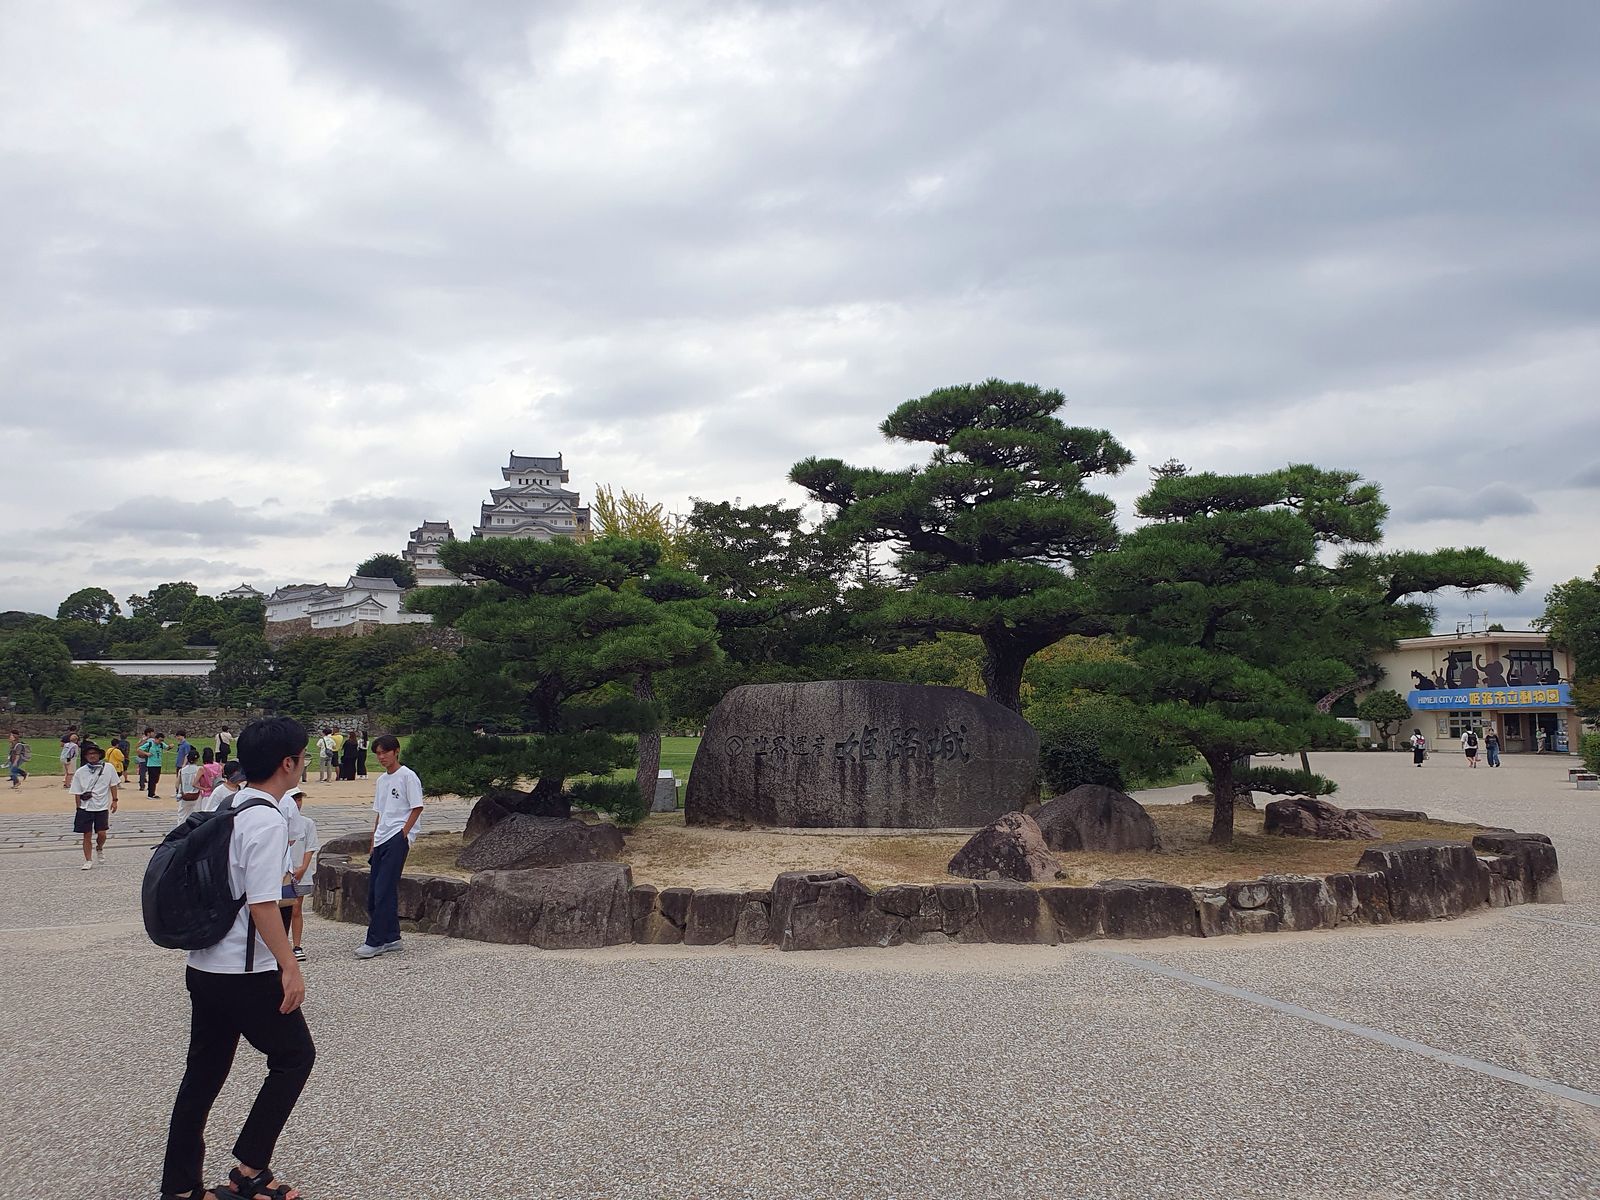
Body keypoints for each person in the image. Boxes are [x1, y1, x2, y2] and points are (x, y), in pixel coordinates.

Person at [159, 715, 314, 1200]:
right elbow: (263, 904)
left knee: (202, 1074)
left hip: (203, 964)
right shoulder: (267, 819)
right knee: (294, 1057)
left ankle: (182, 1187)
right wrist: (290, 965)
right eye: (302, 756)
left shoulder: (226, 805)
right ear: (288, 763)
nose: (304, 763)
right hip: (244, 971)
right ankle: (248, 1170)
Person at [356, 734, 423, 959]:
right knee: (376, 890)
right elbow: (380, 812)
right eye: (378, 753)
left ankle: (374, 940)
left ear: (396, 751)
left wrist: (404, 834)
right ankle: (392, 937)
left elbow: (417, 807)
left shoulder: (408, 776)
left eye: (385, 752)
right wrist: (374, 840)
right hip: (383, 837)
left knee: (383, 889)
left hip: (397, 836)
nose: (382, 757)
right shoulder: (382, 780)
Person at [69, 741, 119, 870]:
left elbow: (113, 784)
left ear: (99, 755)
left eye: (94, 753)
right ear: (85, 756)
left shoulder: (108, 768)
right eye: (89, 754)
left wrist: (115, 800)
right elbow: (77, 791)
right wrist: (78, 807)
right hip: (86, 806)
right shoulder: (80, 772)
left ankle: (99, 847)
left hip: (101, 806)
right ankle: (88, 859)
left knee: (102, 834)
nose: (92, 756)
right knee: (87, 834)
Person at [284, 790, 318, 963]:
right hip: (283, 872)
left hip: (300, 871)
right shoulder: (279, 822)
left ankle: (297, 945)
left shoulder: (307, 823)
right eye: (294, 799)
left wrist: (303, 867)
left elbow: (310, 847)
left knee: (296, 907)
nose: (297, 803)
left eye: (299, 799)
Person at [177, 748, 204, 818]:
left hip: (185, 795)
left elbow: (177, 785)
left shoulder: (182, 770)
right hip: (196, 795)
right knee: (196, 815)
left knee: (182, 817)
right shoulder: (199, 769)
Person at [141, 731, 168, 799]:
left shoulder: (161, 744)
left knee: (156, 779)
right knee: (152, 779)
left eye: (162, 740)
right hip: (151, 764)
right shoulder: (150, 743)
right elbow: (139, 749)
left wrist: (170, 746)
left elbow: (166, 748)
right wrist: (146, 753)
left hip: (158, 764)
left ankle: (152, 792)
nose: (160, 741)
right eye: (160, 740)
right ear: (156, 739)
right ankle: (151, 794)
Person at [173, 730, 192, 798]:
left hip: (183, 765)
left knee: (183, 779)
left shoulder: (186, 744)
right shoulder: (180, 744)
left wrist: (184, 764)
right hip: (178, 764)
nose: (177, 737)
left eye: (178, 736)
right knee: (178, 778)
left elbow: (187, 754)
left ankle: (182, 792)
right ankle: (177, 791)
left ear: (182, 736)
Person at [137, 726, 155, 793]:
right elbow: (139, 747)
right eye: (152, 732)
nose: (153, 734)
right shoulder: (146, 739)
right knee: (147, 772)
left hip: (143, 757)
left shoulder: (143, 739)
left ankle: (142, 785)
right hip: (146, 757)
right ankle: (144, 785)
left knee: (143, 772)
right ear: (149, 733)